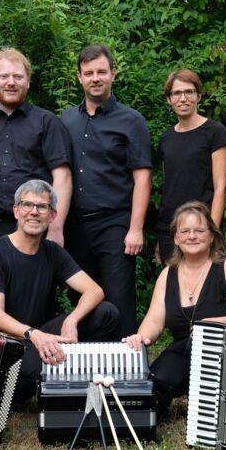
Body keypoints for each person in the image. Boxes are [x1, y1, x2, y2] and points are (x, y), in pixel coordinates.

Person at [0, 179, 120, 406]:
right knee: (39, 368)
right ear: (16, 211)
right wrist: (35, 335)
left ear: (52, 216)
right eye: (27, 205)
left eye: (42, 207)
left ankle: (65, 369)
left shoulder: (53, 252)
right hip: (7, 342)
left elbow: (94, 290)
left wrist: (72, 319)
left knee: (106, 312)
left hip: (44, 335)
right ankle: (56, 374)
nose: (34, 212)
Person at [61, 44, 152, 336]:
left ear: (113, 74)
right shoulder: (65, 120)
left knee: (120, 299)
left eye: (101, 71)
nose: (95, 78)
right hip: (75, 227)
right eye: (89, 73)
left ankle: (127, 373)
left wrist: (135, 228)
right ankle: (88, 367)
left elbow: (142, 178)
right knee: (82, 300)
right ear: (79, 77)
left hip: (114, 223)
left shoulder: (131, 121)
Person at [123, 201, 226, 419]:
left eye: (199, 230)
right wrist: (140, 338)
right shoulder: (168, 273)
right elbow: (155, 320)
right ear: (176, 238)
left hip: (221, 351)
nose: (192, 236)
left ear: (212, 236)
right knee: (153, 385)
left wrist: (210, 324)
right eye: (185, 231)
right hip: (182, 348)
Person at [0, 48, 72, 271]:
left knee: (33, 300)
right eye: (4, 76)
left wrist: (56, 228)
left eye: (18, 77)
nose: (11, 82)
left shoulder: (47, 123)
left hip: (33, 225)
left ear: (28, 82)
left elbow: (63, 176)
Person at [156, 70, 226, 265]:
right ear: (169, 100)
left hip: (201, 227)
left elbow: (220, 187)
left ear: (198, 96)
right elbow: (169, 184)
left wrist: (213, 231)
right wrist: (164, 236)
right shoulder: (165, 138)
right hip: (171, 228)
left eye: (189, 92)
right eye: (176, 93)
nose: (183, 98)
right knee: (173, 287)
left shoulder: (214, 132)